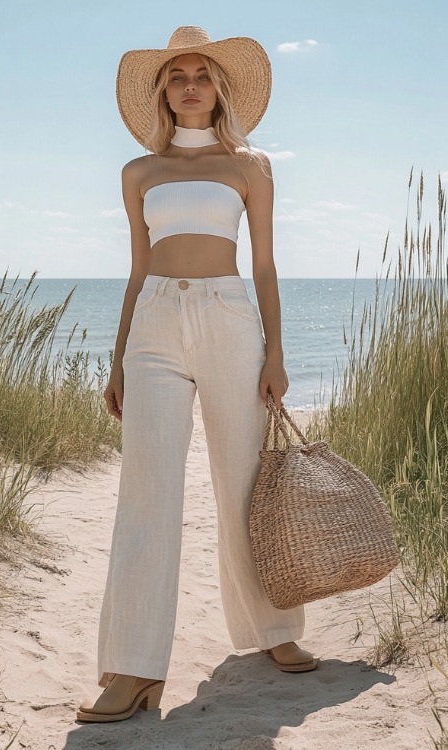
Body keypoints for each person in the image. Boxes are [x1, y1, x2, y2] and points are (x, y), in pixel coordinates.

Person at [77, 25, 317, 724]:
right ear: (162, 92)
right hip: (154, 325)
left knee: (243, 480)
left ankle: (274, 632)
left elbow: (265, 264)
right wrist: (120, 355)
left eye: (201, 74)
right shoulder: (138, 173)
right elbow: (137, 269)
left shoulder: (251, 166)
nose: (189, 85)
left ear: (219, 88)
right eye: (177, 76)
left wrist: (275, 352)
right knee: (146, 493)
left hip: (230, 320)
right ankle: (132, 666)